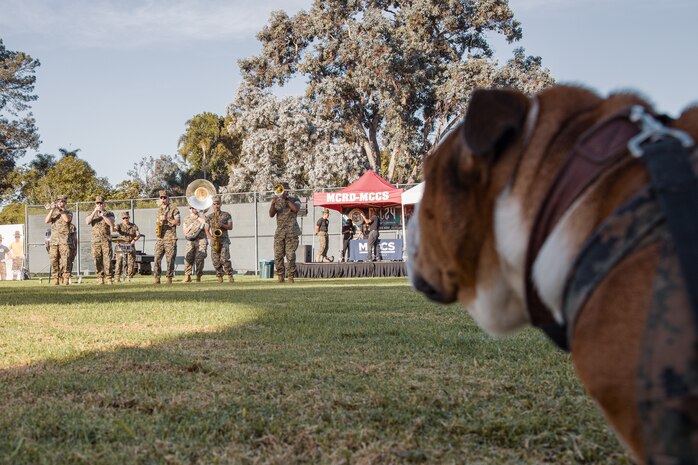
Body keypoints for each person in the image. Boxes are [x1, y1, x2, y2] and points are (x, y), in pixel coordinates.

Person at [269, 183, 301, 283]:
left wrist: (286, 199)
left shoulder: (295, 199)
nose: (281, 192)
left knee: (290, 255)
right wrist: (273, 204)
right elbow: (271, 214)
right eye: (280, 190)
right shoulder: (277, 201)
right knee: (278, 255)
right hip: (280, 232)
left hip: (292, 232)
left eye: (283, 190)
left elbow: (296, 209)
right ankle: (280, 276)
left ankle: (291, 276)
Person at [86, 195, 116, 285]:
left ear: (104, 204)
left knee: (107, 259)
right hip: (95, 241)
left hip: (106, 240)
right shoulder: (91, 213)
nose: (99, 205)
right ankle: (100, 277)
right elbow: (87, 221)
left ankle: (109, 277)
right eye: (97, 203)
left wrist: (103, 215)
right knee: (97, 259)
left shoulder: (109, 213)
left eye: (101, 203)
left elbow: (111, 223)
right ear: (95, 204)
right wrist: (95, 211)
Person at [45, 195, 73, 285]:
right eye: (60, 201)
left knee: (65, 261)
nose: (62, 203)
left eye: (63, 201)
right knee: (53, 260)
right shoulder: (54, 213)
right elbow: (46, 221)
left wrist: (60, 210)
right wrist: (52, 209)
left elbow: (66, 220)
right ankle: (55, 278)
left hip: (64, 241)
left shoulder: (68, 212)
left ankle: (65, 278)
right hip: (54, 241)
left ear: (66, 203)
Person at [153, 190, 180, 284]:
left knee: (170, 259)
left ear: (168, 198)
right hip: (160, 238)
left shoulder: (174, 209)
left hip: (170, 238)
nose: (163, 199)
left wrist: (167, 218)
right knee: (156, 258)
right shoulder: (159, 210)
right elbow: (157, 222)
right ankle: (157, 278)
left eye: (165, 197)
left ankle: (169, 278)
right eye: (161, 198)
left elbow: (178, 222)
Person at [206, 195, 235, 283]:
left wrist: (222, 225)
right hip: (214, 242)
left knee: (224, 259)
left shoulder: (227, 215)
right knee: (215, 261)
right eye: (214, 204)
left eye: (218, 204)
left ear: (221, 204)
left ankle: (230, 275)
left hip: (224, 240)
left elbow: (230, 227)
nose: (216, 206)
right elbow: (206, 230)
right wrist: (211, 238)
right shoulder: (209, 217)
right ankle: (219, 276)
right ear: (212, 205)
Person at [183, 206, 208, 282]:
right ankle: (187, 276)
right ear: (189, 209)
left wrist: (198, 217)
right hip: (190, 240)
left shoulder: (202, 216)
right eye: (190, 208)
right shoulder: (186, 218)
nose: (192, 210)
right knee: (188, 258)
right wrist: (190, 227)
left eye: (194, 208)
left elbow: (205, 223)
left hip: (201, 240)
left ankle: (198, 276)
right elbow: (185, 231)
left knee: (199, 259)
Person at [114, 211, 140, 282]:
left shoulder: (133, 226)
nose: (125, 219)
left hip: (130, 244)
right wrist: (113, 226)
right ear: (122, 219)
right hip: (121, 245)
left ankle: (129, 277)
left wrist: (134, 240)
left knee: (130, 261)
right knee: (119, 261)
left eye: (126, 218)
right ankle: (117, 277)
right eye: (124, 218)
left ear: (129, 218)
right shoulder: (119, 225)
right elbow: (115, 229)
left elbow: (138, 235)